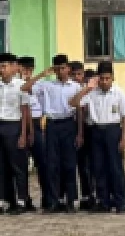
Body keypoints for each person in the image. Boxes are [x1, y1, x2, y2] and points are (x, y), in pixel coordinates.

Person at [69, 61, 125, 213]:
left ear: (112, 78)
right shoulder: (93, 92)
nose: (104, 82)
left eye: (107, 78)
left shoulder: (119, 93)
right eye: (102, 78)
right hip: (96, 131)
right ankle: (103, 201)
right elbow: (72, 102)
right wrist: (87, 88)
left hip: (113, 131)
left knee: (115, 168)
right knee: (98, 167)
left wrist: (123, 138)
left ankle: (120, 201)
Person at [22, 54, 81, 213]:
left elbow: (80, 110)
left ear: (68, 68)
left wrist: (79, 132)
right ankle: (55, 200)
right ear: (54, 70)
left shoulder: (75, 86)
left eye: (63, 68)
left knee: (69, 164)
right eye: (57, 69)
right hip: (52, 125)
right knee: (52, 164)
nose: (61, 71)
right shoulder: (47, 85)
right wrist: (42, 74)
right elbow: (25, 88)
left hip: (68, 124)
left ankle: (71, 200)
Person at [0, 53, 31, 215]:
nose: (1, 70)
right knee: (2, 166)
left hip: (14, 126)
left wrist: (23, 134)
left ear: (13, 67)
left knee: (18, 166)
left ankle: (22, 200)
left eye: (4, 66)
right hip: (1, 124)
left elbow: (25, 111)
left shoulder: (21, 85)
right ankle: (6, 200)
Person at [17, 56, 43, 212]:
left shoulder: (38, 85)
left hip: (36, 123)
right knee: (21, 165)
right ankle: (24, 198)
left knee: (42, 163)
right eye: (25, 69)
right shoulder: (16, 85)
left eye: (30, 70)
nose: (28, 72)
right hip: (20, 125)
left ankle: (48, 198)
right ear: (19, 68)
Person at [72, 63, 96, 211]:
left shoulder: (88, 91)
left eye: (79, 75)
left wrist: (81, 132)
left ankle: (92, 194)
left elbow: (83, 112)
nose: (77, 78)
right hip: (70, 127)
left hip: (87, 128)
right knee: (79, 164)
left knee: (90, 164)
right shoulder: (70, 90)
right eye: (74, 75)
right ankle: (83, 195)